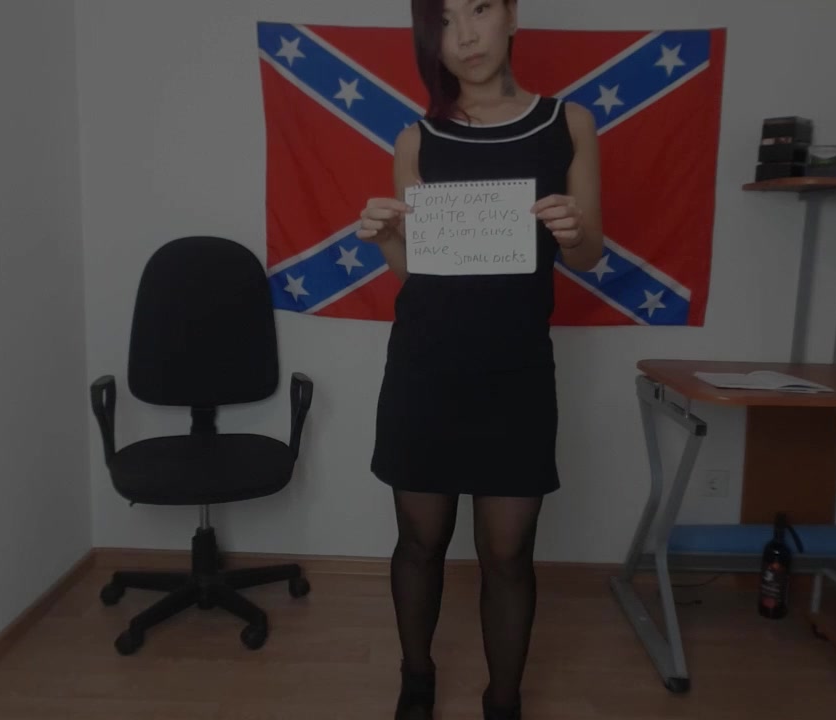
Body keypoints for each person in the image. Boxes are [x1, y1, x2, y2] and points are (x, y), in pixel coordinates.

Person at [356, 0, 603, 717]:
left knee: (508, 554)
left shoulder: (570, 123)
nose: (464, 35)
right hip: (424, 369)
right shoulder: (416, 138)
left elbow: (588, 255)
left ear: (512, 15)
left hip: (515, 372)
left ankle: (504, 699)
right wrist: (386, 237)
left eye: (480, 9)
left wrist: (574, 229)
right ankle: (416, 679)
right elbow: (417, 270)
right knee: (419, 541)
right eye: (444, 19)